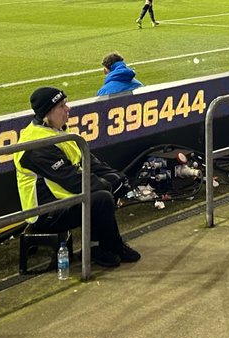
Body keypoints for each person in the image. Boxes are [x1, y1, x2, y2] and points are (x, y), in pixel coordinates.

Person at [13, 86, 141, 268]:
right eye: (62, 106)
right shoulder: (36, 146)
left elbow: (89, 162)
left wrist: (115, 178)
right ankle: (112, 247)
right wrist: (107, 187)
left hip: (64, 200)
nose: (68, 109)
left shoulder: (56, 130)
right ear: (47, 114)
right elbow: (72, 180)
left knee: (111, 183)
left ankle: (99, 248)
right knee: (101, 198)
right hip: (47, 212)